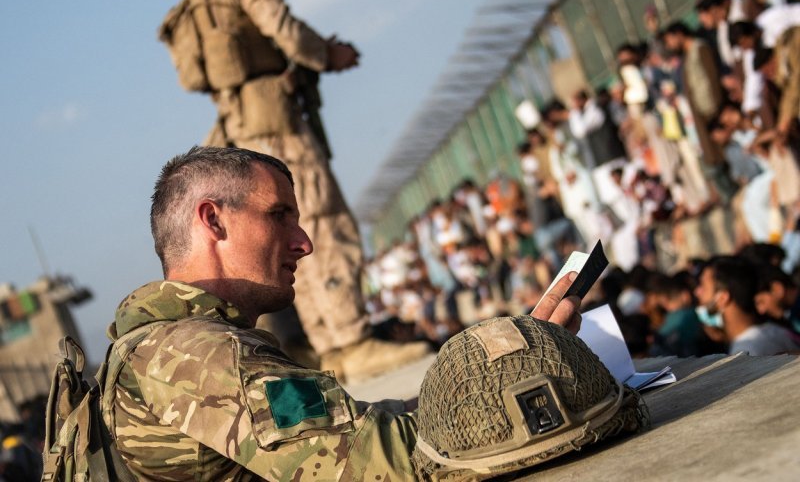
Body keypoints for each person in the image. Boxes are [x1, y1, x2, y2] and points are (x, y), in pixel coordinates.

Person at [101, 146, 583, 479]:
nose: (304, 242)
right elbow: (381, 463)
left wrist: (510, 355)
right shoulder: (197, 357)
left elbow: (349, 428)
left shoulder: (165, 345)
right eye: (278, 215)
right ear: (213, 220)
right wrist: (520, 365)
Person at [178, 0, 420, 380]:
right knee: (324, 224)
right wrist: (327, 55)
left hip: (241, 126)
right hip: (277, 124)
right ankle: (350, 341)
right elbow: (284, 28)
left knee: (286, 230)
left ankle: (328, 345)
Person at [694, 256, 799, 356]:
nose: (696, 292)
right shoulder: (775, 330)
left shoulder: (747, 351)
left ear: (723, 298)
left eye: (703, 286)